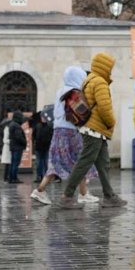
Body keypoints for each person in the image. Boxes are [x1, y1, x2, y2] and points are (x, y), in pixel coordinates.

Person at [57, 53, 128, 210]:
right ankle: (67, 196)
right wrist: (112, 122)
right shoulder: (100, 82)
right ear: (105, 66)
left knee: (103, 164)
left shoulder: (89, 80)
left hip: (91, 128)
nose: (111, 71)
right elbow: (104, 107)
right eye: (110, 67)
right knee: (84, 162)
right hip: (95, 129)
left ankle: (109, 196)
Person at [32, 66, 97, 205]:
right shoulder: (75, 92)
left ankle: (40, 190)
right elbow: (82, 113)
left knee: (57, 162)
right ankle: (83, 194)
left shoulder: (60, 91)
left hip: (58, 131)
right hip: (71, 131)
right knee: (81, 160)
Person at [31, 109, 53, 183]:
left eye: (44, 117)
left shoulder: (50, 126)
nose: (43, 118)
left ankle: (46, 177)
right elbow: (33, 136)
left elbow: (52, 136)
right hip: (38, 147)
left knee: (46, 163)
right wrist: (35, 141)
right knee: (39, 163)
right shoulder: (37, 126)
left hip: (46, 147)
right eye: (42, 117)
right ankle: (38, 176)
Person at [6, 110, 27, 183]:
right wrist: (24, 142)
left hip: (13, 146)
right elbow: (19, 137)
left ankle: (11, 178)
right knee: (15, 163)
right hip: (17, 147)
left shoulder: (12, 124)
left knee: (13, 162)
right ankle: (14, 178)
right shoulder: (16, 126)